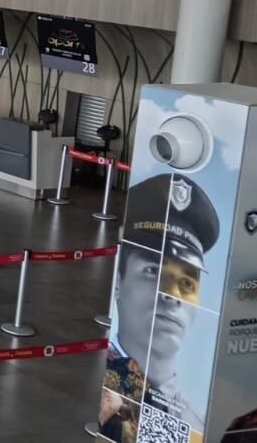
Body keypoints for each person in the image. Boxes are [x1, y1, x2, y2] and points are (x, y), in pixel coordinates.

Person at [99, 174, 220, 441]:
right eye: (153, 270)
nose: (172, 294)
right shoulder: (104, 398)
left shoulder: (196, 423)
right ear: (118, 282)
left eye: (187, 281)